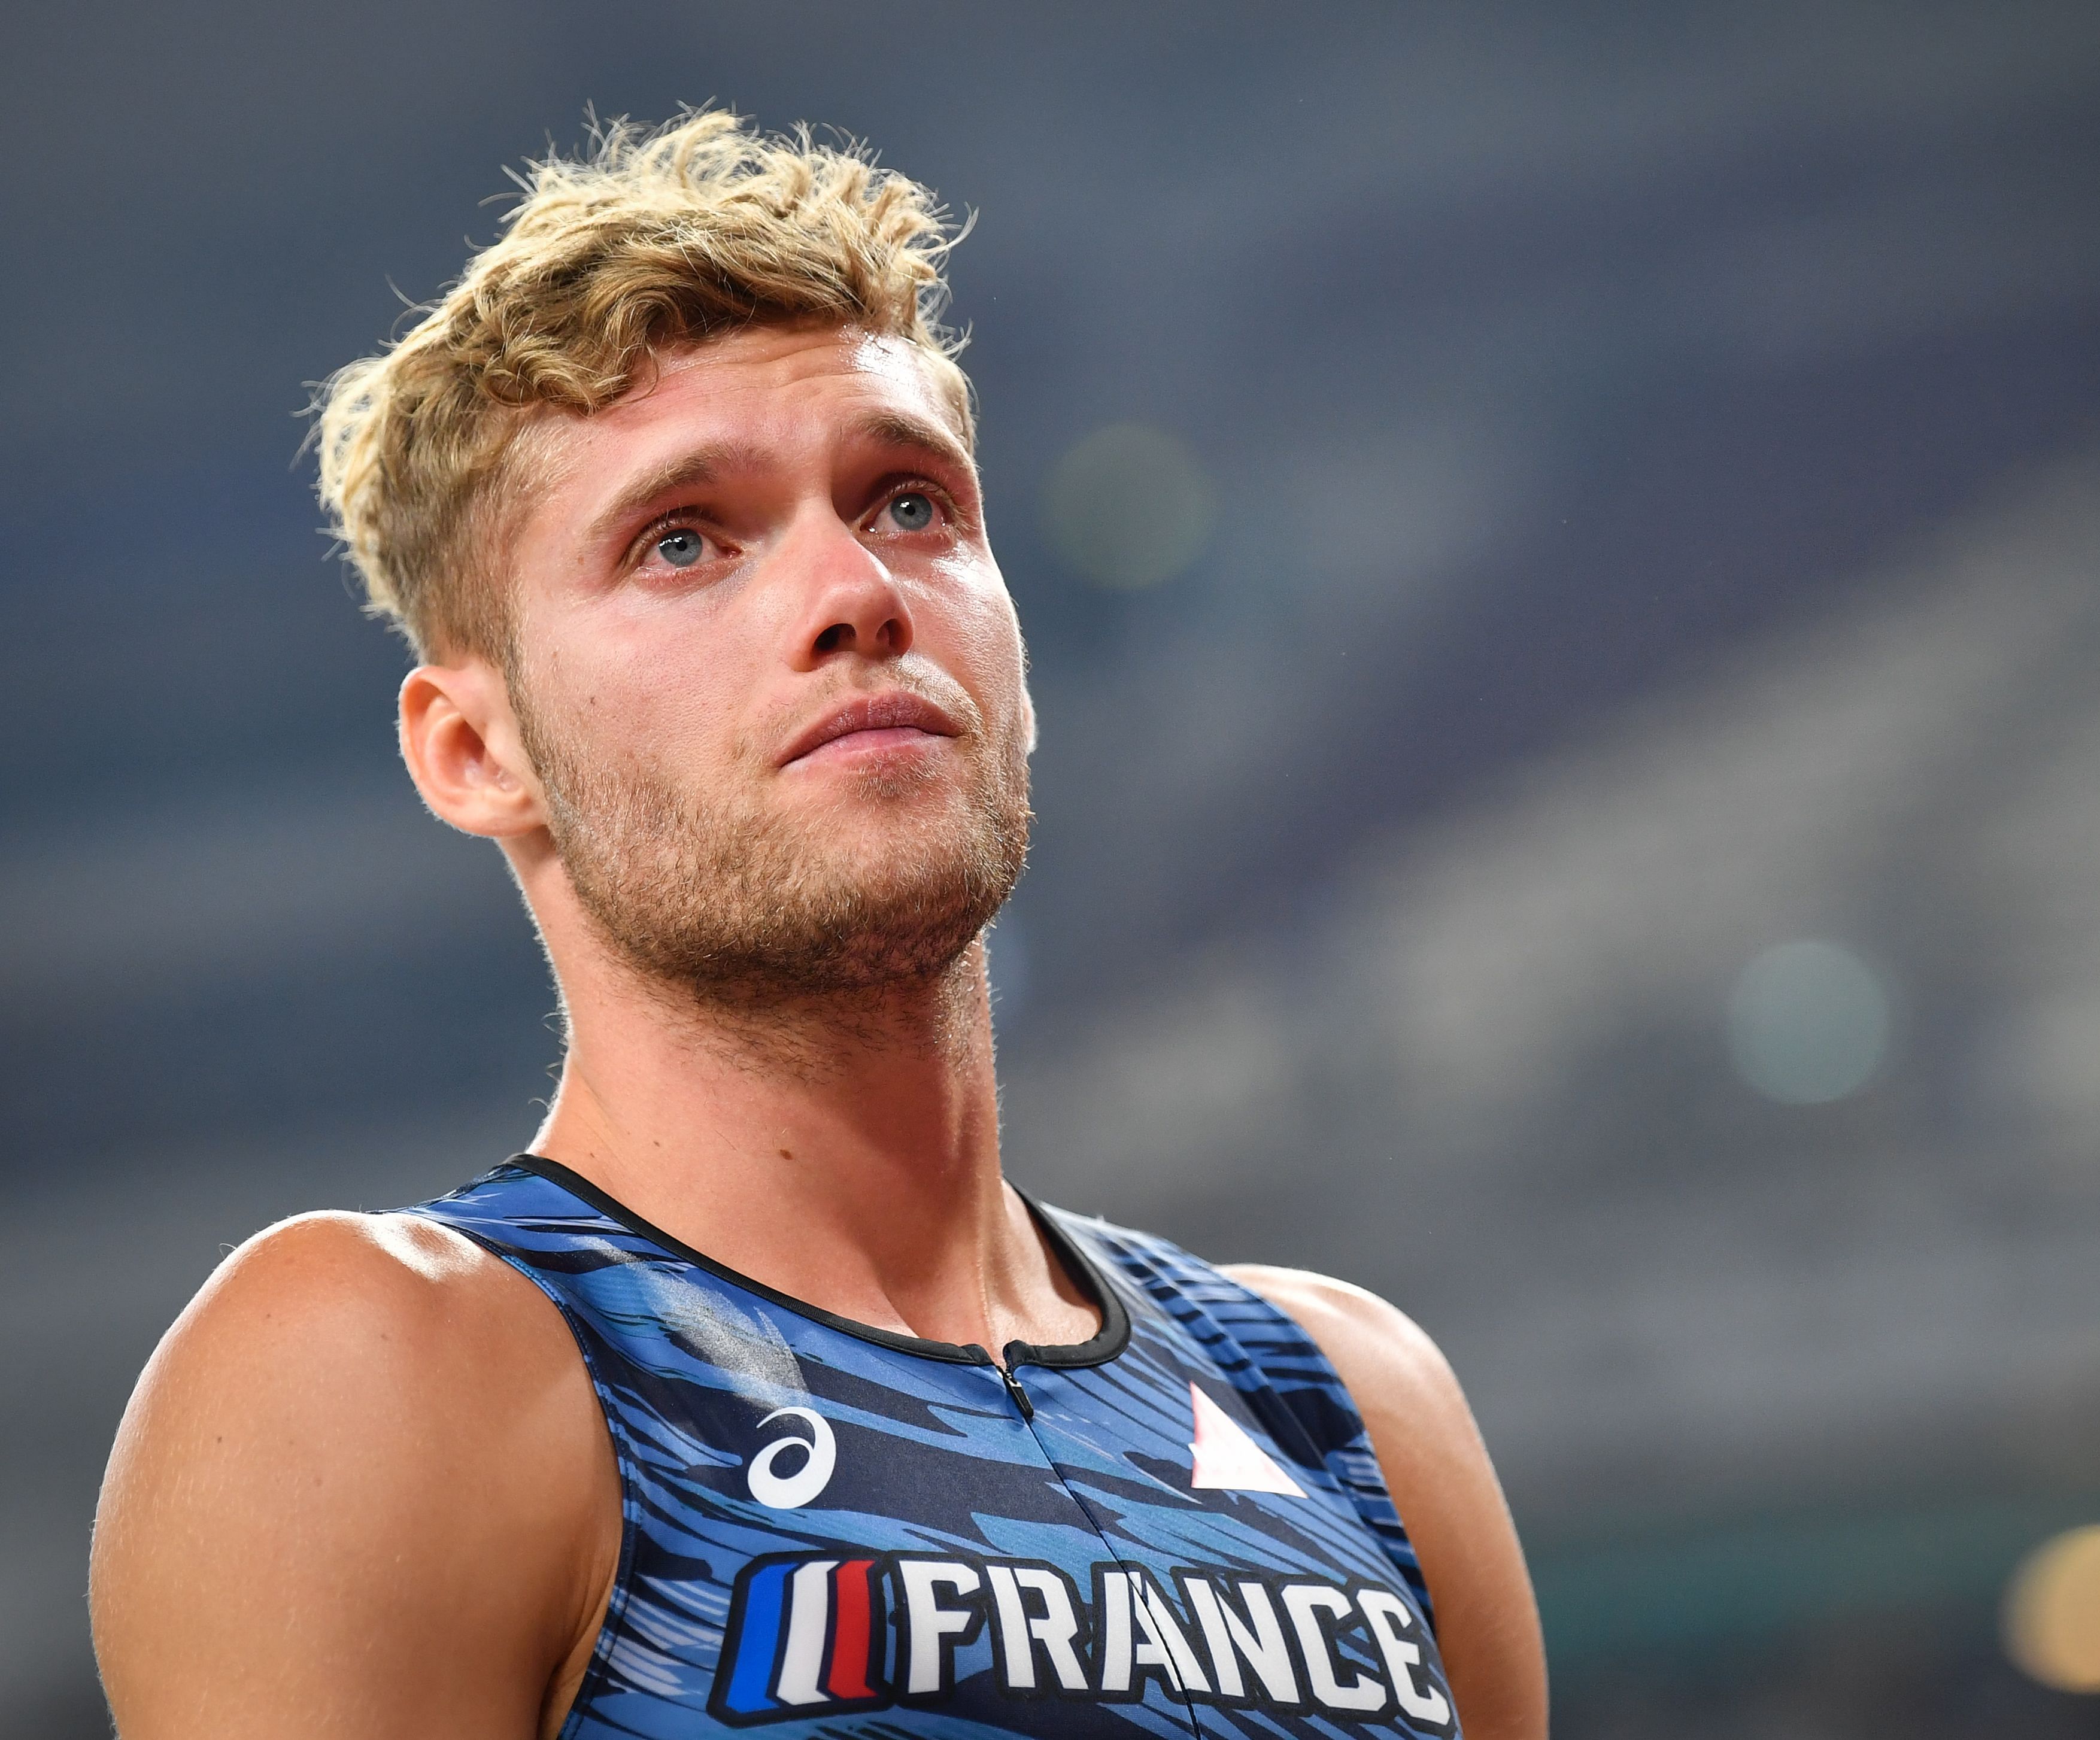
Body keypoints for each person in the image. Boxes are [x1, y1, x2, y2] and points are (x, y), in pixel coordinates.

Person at [89, 112, 1546, 1739]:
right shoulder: (392, 1371)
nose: (856, 589)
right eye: (683, 540)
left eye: (910, 502)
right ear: (476, 750)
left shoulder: (1351, 1401)